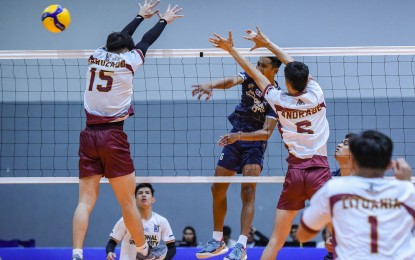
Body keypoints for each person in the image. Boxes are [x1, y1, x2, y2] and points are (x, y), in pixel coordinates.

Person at [71, 2, 183, 260]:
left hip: (88, 136)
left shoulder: (96, 54)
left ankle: (77, 252)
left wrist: (138, 16)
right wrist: (163, 21)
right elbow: (145, 42)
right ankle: (145, 250)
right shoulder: (129, 61)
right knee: (127, 203)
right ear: (125, 49)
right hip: (112, 136)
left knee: (85, 202)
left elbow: (121, 40)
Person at [208, 27, 331, 260]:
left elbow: (252, 72)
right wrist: (267, 42)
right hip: (319, 170)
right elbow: (292, 64)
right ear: (307, 79)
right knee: (337, 228)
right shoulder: (317, 93)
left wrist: (231, 49)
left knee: (277, 238)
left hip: (295, 173)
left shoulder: (277, 99)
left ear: (285, 80)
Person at [193, 48, 281, 260]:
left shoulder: (277, 96)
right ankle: (217, 240)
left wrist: (240, 136)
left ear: (275, 71)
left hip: (254, 143)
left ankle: (241, 246)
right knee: (217, 187)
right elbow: (232, 80)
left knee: (248, 191)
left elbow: (266, 133)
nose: (258, 68)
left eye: (263, 65)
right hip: (235, 139)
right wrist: (211, 84)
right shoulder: (249, 76)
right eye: (257, 63)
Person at [297, 130, 415, 259]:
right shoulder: (406, 191)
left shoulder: (333, 189)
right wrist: (406, 184)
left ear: (353, 161)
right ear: (389, 165)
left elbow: (302, 235)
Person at [106, 183, 176, 260]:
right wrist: (109, 252)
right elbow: (112, 242)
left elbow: (172, 247)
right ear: (135, 199)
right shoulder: (126, 220)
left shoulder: (162, 221)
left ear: (153, 199)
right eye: (140, 193)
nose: (143, 195)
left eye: (147, 193)